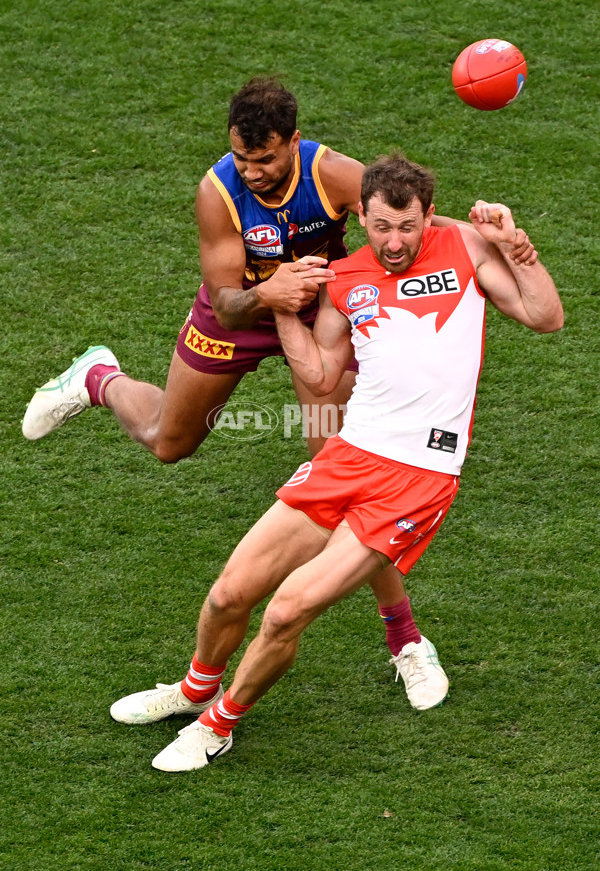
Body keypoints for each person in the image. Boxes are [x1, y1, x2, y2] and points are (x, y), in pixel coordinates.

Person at [21, 79, 534, 708]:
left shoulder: (332, 173)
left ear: (294, 141)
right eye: (243, 159)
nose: (253, 172)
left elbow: (410, 220)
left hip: (327, 319)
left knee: (350, 482)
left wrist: (492, 236)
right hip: (242, 311)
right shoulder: (218, 195)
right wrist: (269, 293)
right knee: (166, 442)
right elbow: (227, 301)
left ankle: (404, 640)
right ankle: (98, 377)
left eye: (265, 160)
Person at [108, 153, 563, 772]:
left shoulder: (466, 245)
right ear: (362, 216)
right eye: (381, 227)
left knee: (288, 608)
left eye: (407, 227)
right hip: (349, 456)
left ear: (429, 216)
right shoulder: (344, 280)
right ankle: (194, 691)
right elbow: (321, 377)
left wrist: (518, 247)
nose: (395, 242)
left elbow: (545, 316)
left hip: (419, 477)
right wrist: (281, 307)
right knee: (227, 594)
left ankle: (218, 725)